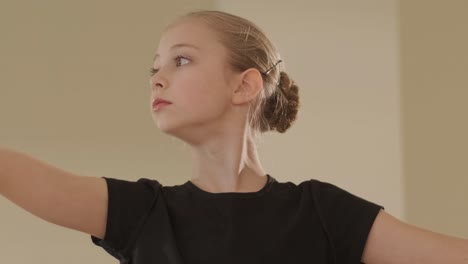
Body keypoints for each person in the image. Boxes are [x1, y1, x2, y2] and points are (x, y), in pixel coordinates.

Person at [1, 9, 467, 264]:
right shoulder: (140, 214)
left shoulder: (324, 214)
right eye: (155, 67)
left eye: (180, 60)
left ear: (243, 85)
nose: (157, 78)